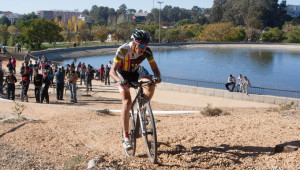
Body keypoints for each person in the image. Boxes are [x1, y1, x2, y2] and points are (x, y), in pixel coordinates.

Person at [110, 29, 161, 150]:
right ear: (134, 42)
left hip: (135, 71)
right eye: (141, 45)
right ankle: (126, 137)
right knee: (127, 103)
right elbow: (112, 71)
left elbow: (155, 69)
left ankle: (142, 108)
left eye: (145, 46)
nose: (143, 48)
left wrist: (157, 76)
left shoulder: (147, 51)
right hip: (121, 73)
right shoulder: (123, 50)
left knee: (150, 84)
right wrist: (119, 81)